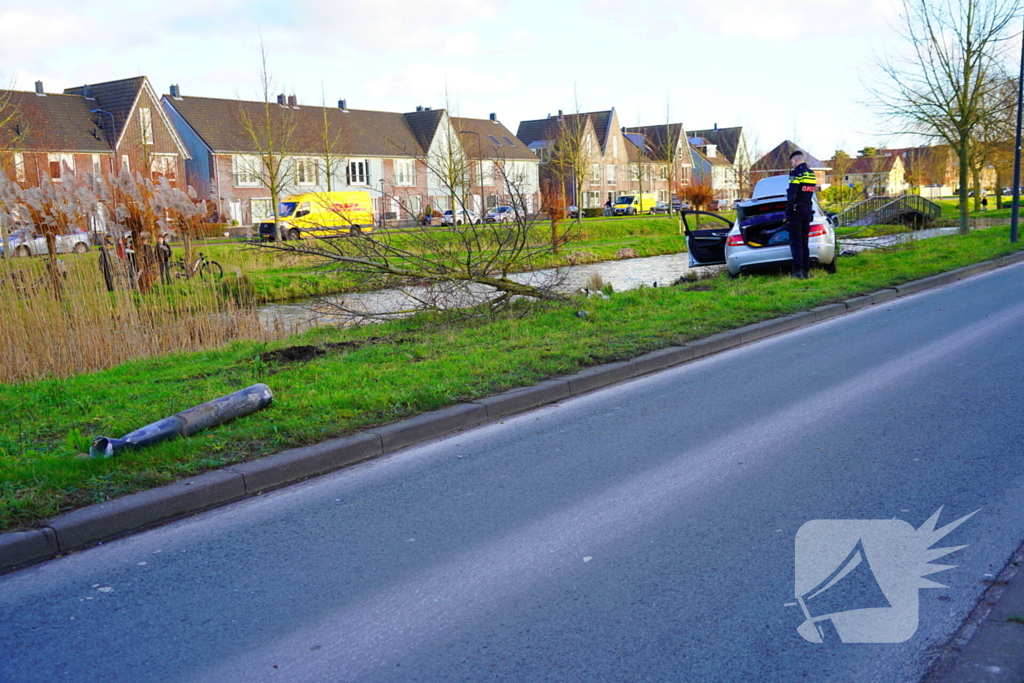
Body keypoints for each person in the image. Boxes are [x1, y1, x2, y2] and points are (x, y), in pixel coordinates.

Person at [785, 150, 817, 279]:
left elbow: (792, 193)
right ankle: (806, 271)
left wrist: (788, 211)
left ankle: (798, 271)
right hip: (807, 210)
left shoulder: (796, 173)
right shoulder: (811, 174)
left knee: (796, 242)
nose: (792, 164)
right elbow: (809, 193)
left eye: (792, 162)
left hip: (796, 211)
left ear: (796, 160)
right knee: (804, 242)